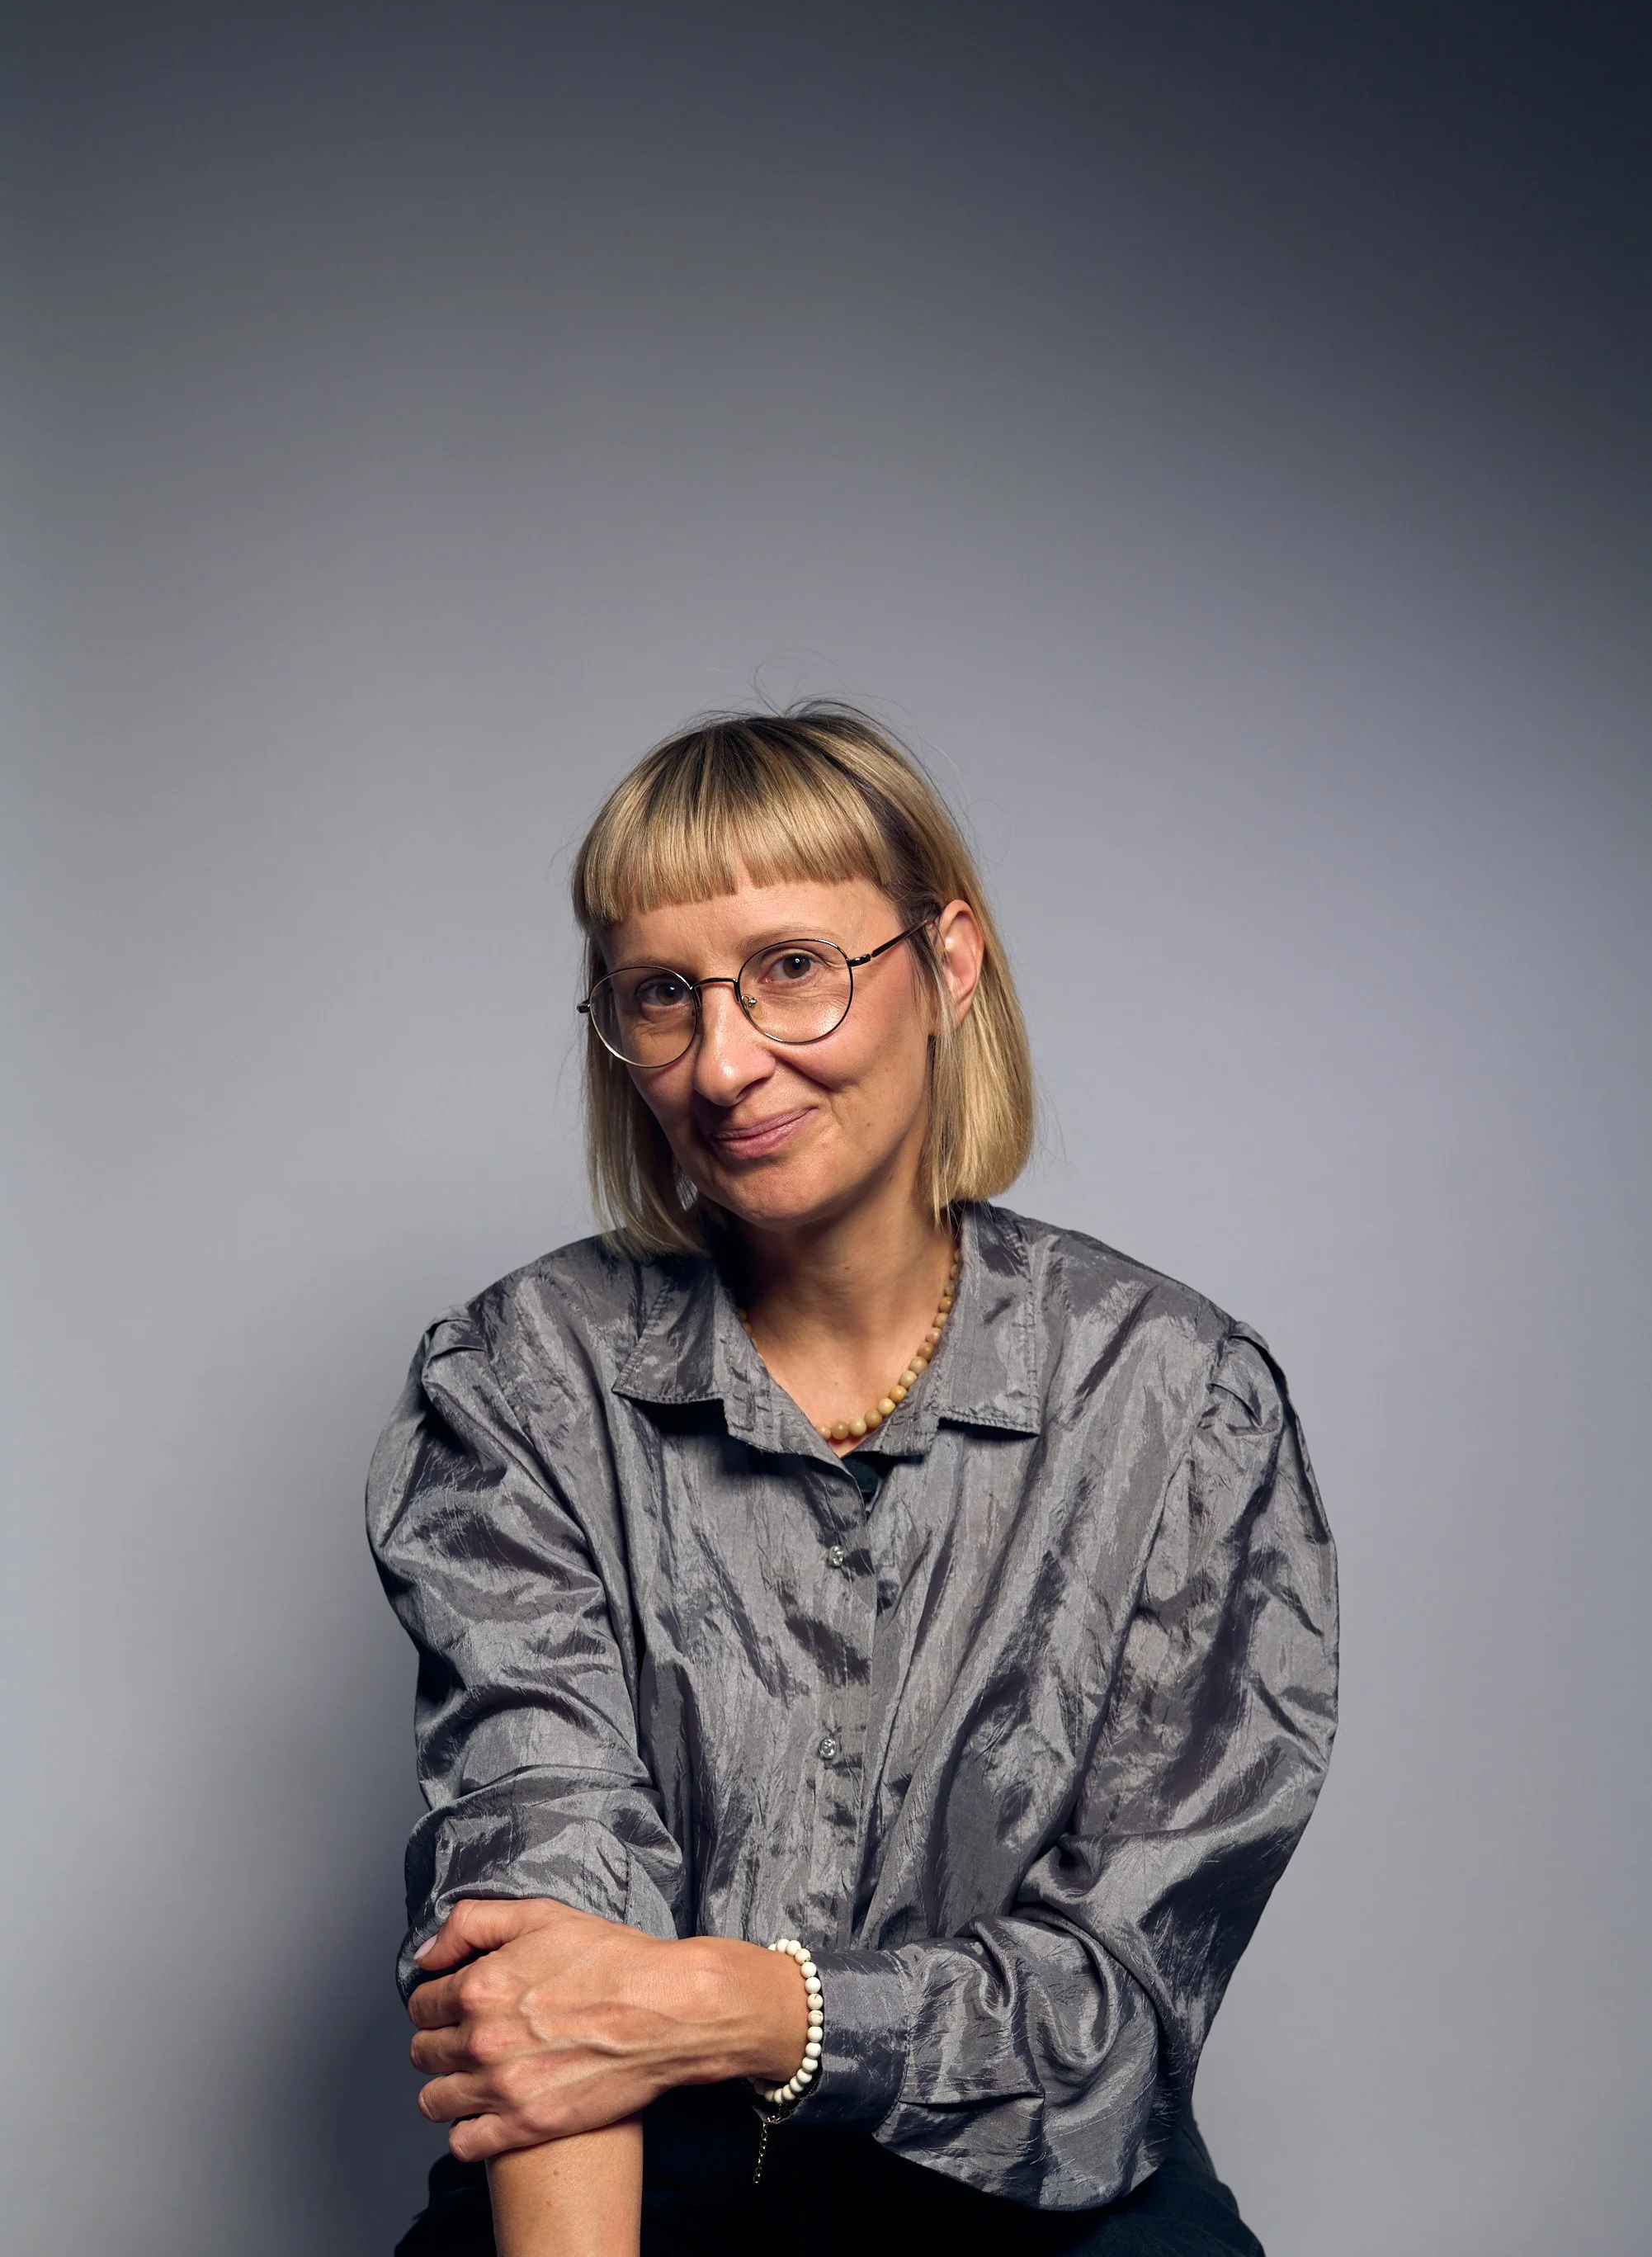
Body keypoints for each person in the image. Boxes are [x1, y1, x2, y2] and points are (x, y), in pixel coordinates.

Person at [368, 706, 1338, 2257]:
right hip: (630, 2167)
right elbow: (544, 1917)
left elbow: (1115, 2006)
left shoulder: (1176, 1398)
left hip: (1045, 2187)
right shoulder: (524, 1377)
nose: (723, 1063)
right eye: (660, 994)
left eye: (792, 968)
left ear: (948, 964)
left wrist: (744, 2007)